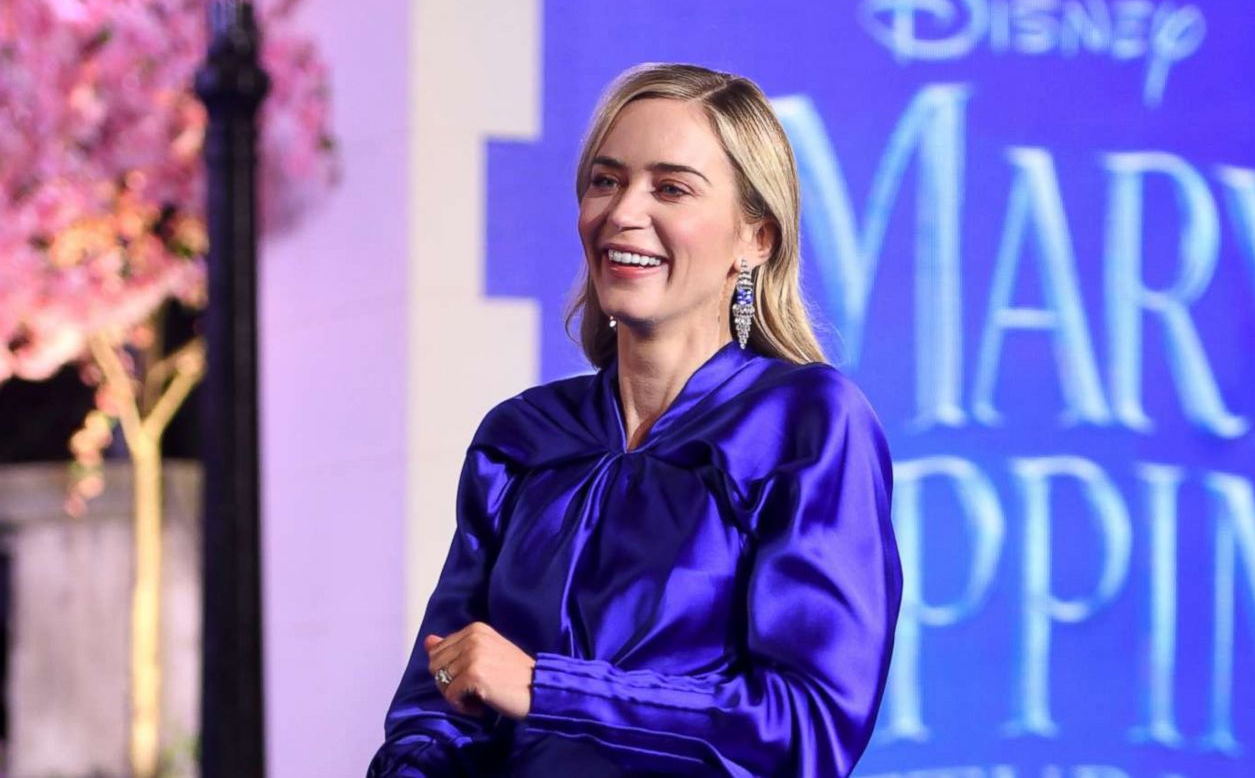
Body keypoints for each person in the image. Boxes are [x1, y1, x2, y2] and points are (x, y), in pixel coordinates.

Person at [367, 63, 903, 777]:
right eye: (605, 180)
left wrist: (546, 688)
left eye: (672, 188)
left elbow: (808, 725)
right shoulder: (520, 437)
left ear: (757, 239)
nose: (622, 212)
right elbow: (437, 704)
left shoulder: (807, 423)